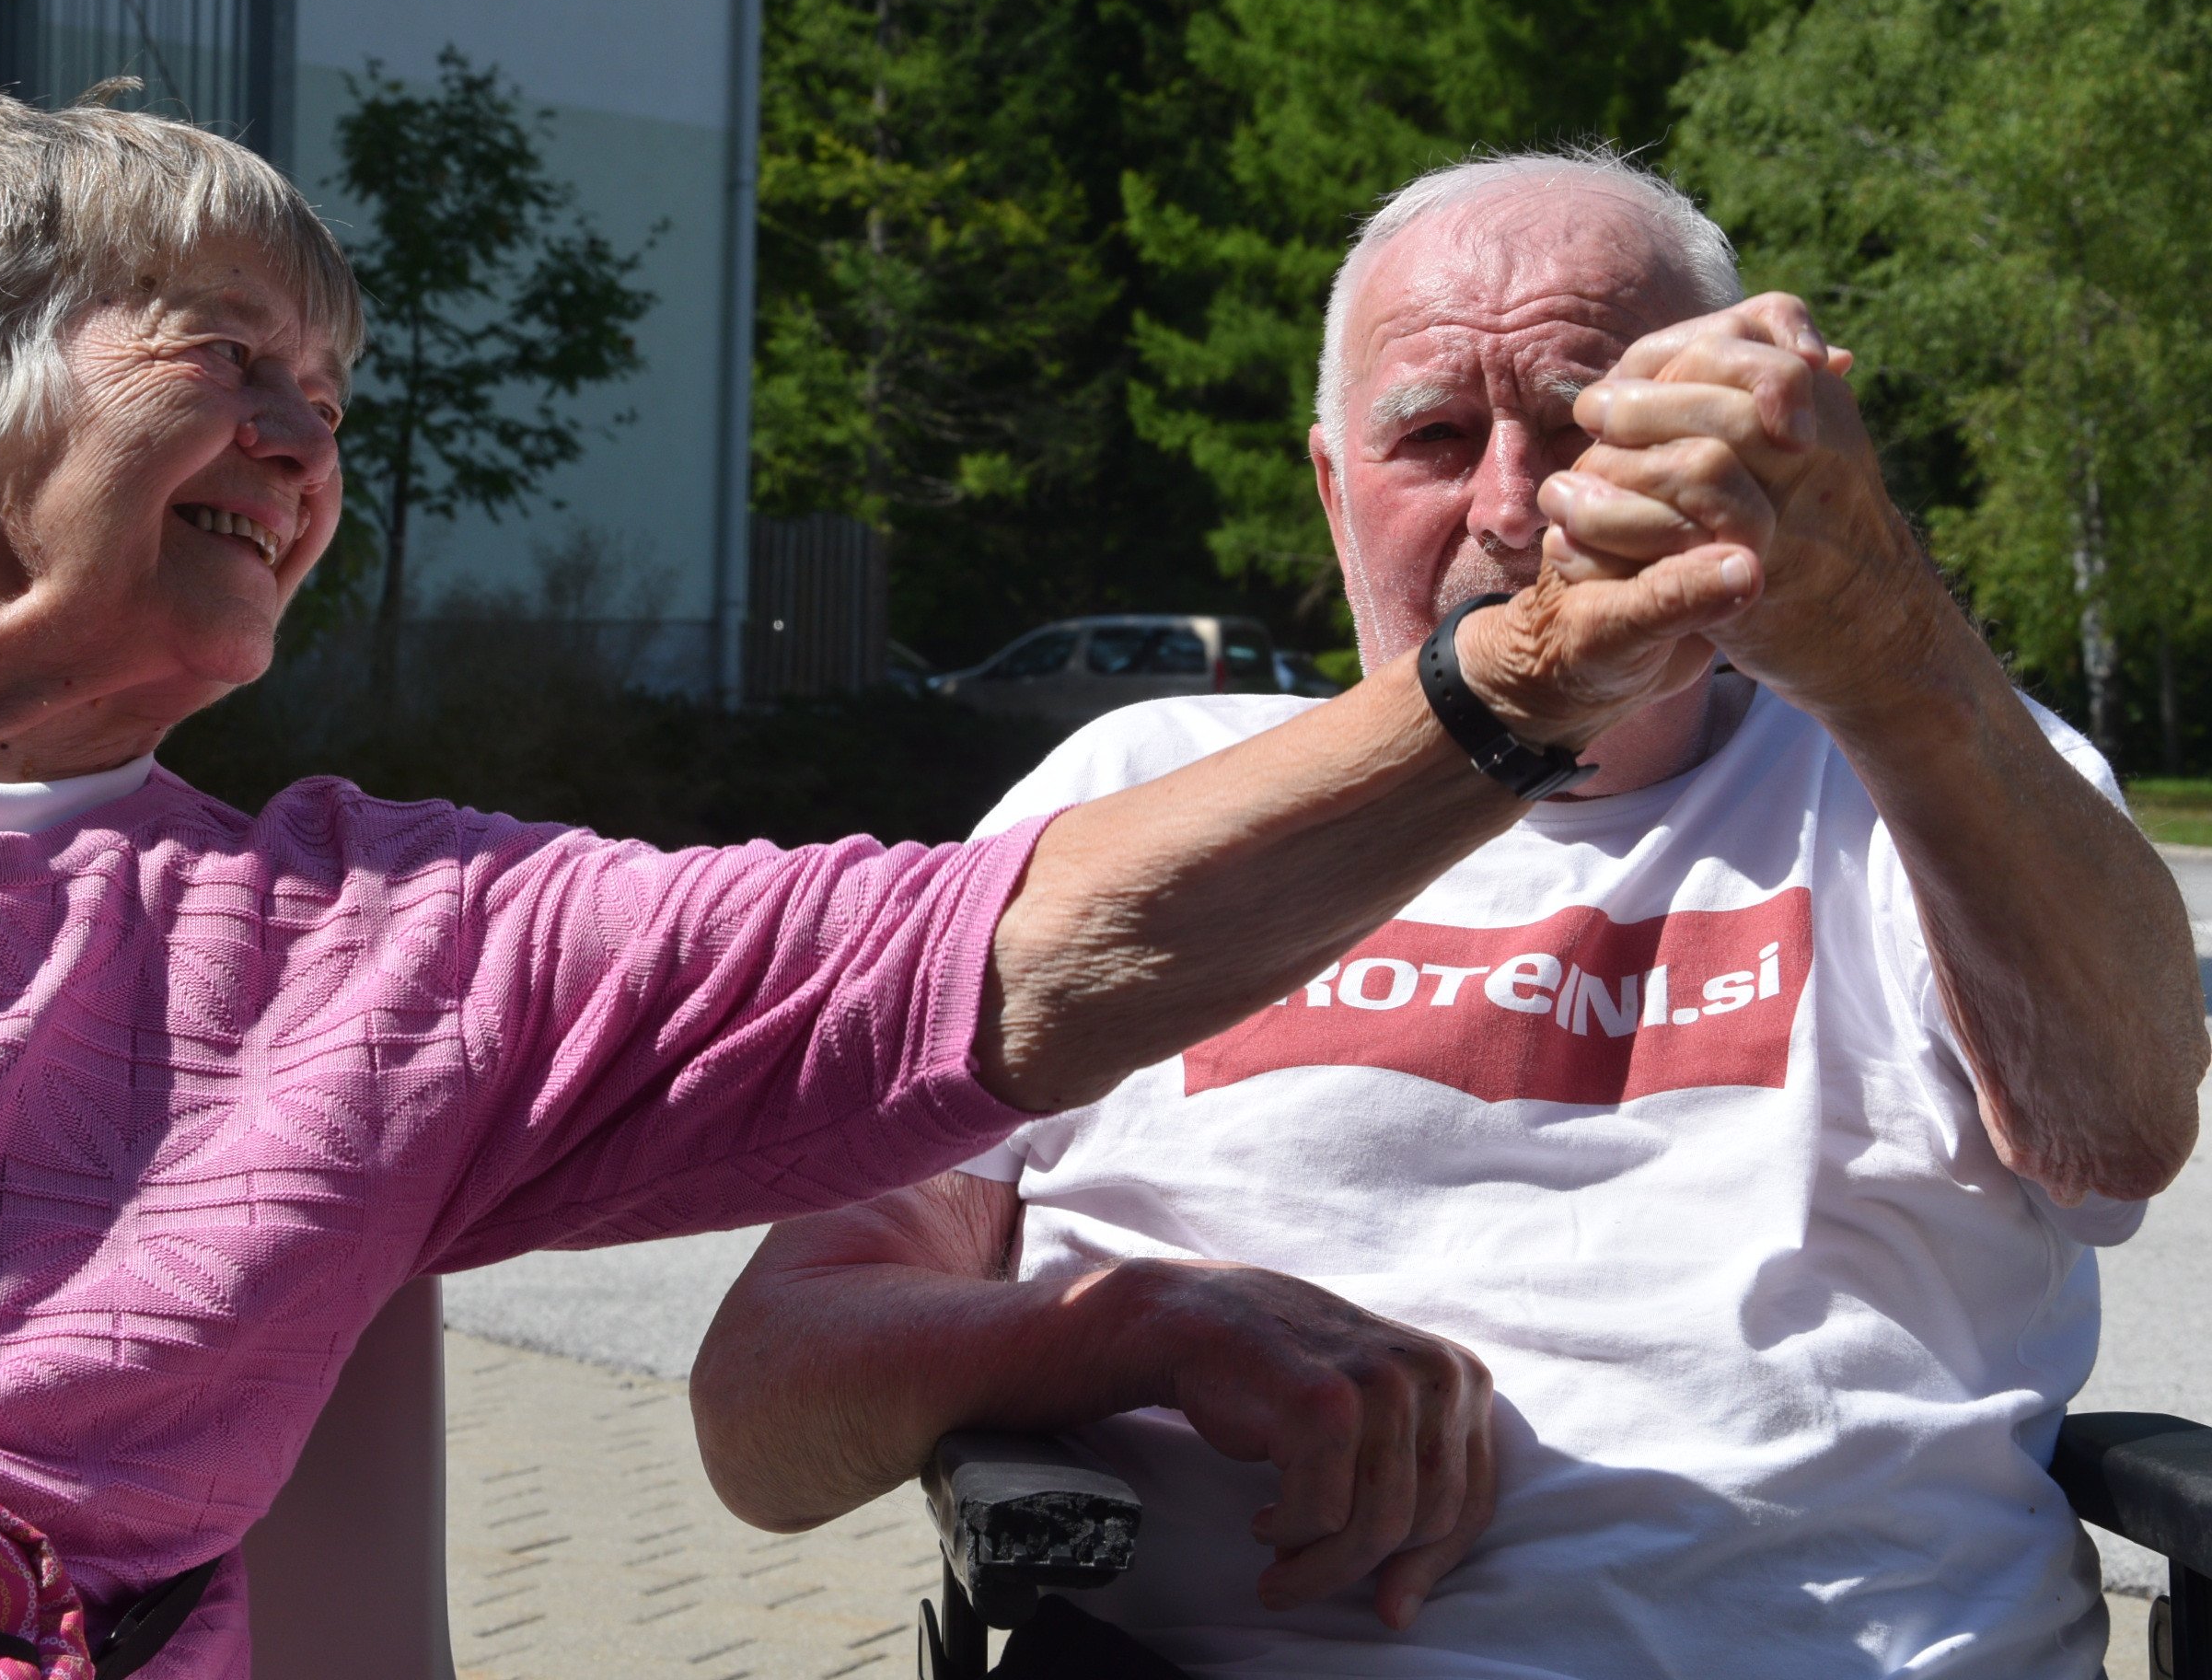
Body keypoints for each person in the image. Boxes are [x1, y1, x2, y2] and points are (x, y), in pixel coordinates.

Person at [0, 107, 1747, 1676]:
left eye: (332, 397)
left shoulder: (371, 948)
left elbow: (1000, 955)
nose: (303, 440)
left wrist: (1532, 670)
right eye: (225, 359)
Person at [690, 149, 2210, 1680]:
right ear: (1332, 488)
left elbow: (2118, 1130)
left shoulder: (1908, 764)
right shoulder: (1137, 792)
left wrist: (1880, 629)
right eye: (1429, 435)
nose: (1508, 504)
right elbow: (768, 1408)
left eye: (1579, 426)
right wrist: (1130, 1326)